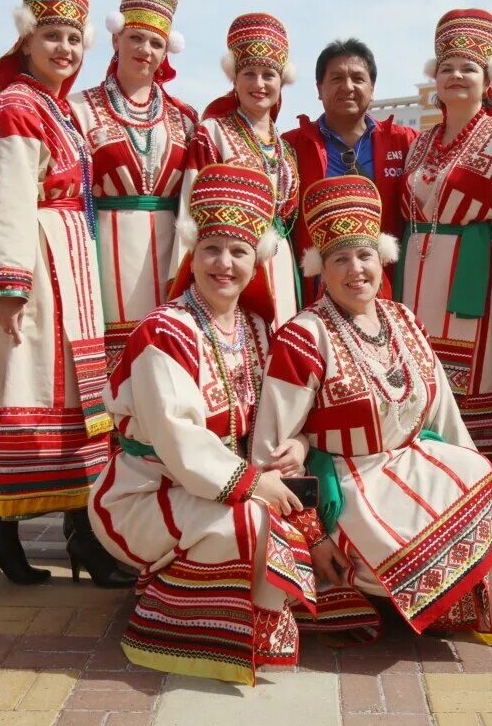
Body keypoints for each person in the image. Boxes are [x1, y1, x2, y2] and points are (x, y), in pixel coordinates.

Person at [253, 174, 492, 642]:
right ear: (319, 268)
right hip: (352, 480)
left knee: (473, 476)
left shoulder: (404, 319)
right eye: (340, 258)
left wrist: (473, 468)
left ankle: (423, 597)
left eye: (365, 254)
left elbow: (444, 414)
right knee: (397, 536)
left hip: (411, 462)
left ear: (383, 258)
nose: (356, 269)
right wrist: (314, 535)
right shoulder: (303, 336)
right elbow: (271, 450)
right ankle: (376, 589)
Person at [89, 164, 321, 684]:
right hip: (149, 490)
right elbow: (179, 440)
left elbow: (292, 411)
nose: (225, 263)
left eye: (239, 251)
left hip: (221, 483)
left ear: (256, 262)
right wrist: (255, 484)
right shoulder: (165, 332)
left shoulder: (260, 329)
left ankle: (224, 604)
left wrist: (300, 445)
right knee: (253, 526)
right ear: (192, 254)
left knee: (314, 516)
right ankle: (173, 620)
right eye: (212, 248)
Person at [0, 0, 132, 589]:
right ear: (26, 40)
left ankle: (41, 534)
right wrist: (9, 286)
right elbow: (11, 197)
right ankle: (29, 532)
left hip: (67, 263)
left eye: (73, 37)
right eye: (52, 36)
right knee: (31, 392)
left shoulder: (52, 108)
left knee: (69, 402)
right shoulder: (17, 107)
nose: (65, 49)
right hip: (37, 268)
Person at [397, 9, 492, 473]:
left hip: (474, 284)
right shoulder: (421, 141)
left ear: (487, 78)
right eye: (447, 67)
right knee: (417, 387)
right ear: (434, 77)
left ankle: (475, 495)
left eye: (468, 68)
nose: (456, 76)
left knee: (474, 392)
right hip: (416, 283)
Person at [69, 0, 197, 368]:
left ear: (166, 52)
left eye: (156, 43)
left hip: (170, 254)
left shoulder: (185, 118)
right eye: (136, 38)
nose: (145, 50)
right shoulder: (78, 108)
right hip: (103, 252)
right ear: (116, 39)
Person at [176, 13, 300, 329]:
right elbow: (190, 213)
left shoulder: (285, 149)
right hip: (228, 265)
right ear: (234, 78)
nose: (259, 84)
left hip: (279, 263)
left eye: (269, 75)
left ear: (281, 80)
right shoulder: (212, 133)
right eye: (249, 73)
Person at [283, 38, 417, 303]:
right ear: (319, 88)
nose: (348, 87)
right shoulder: (291, 146)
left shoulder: (406, 142)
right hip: (317, 290)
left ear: (372, 88)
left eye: (358, 78)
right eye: (336, 78)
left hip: (389, 288)